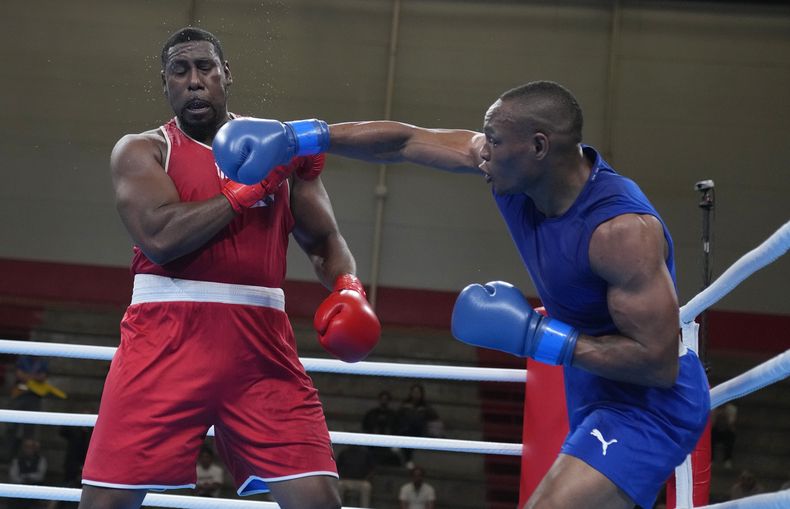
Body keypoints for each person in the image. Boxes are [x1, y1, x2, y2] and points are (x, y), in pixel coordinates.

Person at [213, 80, 711, 509]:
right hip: (592, 386)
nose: (482, 150)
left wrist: (538, 337)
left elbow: (658, 363)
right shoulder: (513, 174)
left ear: (539, 147)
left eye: (494, 140)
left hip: (648, 404)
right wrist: (299, 137)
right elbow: (405, 142)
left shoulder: (620, 232)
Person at [77, 27, 381, 509]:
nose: (194, 81)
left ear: (226, 75)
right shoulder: (143, 150)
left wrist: (348, 287)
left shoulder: (278, 148)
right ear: (165, 82)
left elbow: (324, 239)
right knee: (106, 504)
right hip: (165, 339)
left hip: (261, 346)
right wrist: (249, 190)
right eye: (180, 71)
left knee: (318, 498)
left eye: (205, 68)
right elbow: (161, 237)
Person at [361, 390, 403, 466]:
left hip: (390, 442)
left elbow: (397, 429)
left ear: (389, 401)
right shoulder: (371, 414)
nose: (384, 401)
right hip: (372, 441)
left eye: (386, 399)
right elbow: (365, 427)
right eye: (382, 399)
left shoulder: (394, 415)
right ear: (379, 400)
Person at [8, 438, 48, 509]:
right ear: (23, 448)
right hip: (19, 489)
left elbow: (40, 476)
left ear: (35, 448)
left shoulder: (41, 460)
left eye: (31, 447)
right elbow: (13, 477)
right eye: (26, 447)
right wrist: (23, 480)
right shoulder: (17, 460)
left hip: (35, 489)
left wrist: (27, 477)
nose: (29, 449)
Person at [711, 402, 737, 469]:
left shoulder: (732, 409)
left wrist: (725, 416)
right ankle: (711, 459)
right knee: (711, 436)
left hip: (726, 430)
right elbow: (712, 424)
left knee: (731, 436)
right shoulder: (713, 407)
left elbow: (731, 424)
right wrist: (717, 415)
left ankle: (727, 459)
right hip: (716, 430)